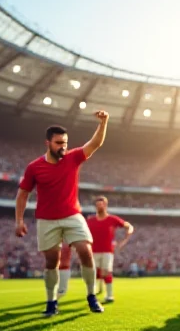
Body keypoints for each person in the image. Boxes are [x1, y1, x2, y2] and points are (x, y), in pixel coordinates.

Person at [15, 112, 109, 317]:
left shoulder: (73, 158)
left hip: (72, 215)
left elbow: (95, 144)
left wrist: (104, 122)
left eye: (65, 142)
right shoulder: (34, 167)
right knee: (51, 261)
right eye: (58, 143)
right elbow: (22, 194)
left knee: (85, 250)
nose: (63, 147)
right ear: (47, 143)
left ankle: (91, 295)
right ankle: (51, 301)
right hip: (46, 219)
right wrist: (19, 220)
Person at [87, 195, 134, 303]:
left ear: (106, 206)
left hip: (107, 251)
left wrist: (125, 240)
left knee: (106, 272)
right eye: (98, 205)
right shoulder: (90, 220)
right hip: (93, 251)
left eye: (102, 204)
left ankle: (109, 295)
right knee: (94, 273)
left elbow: (128, 226)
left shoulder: (112, 219)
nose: (100, 207)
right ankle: (94, 293)